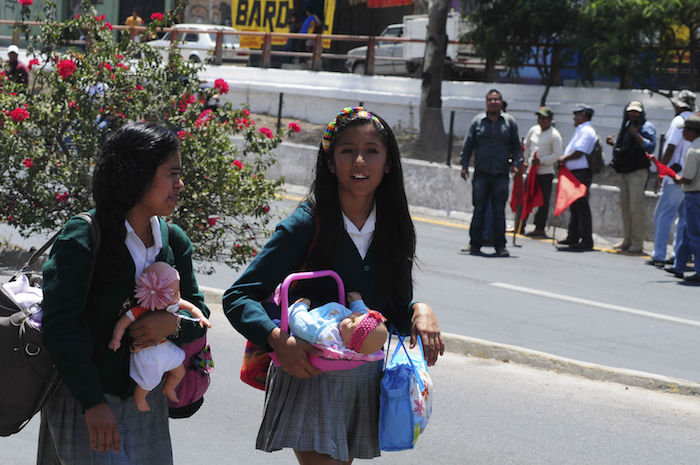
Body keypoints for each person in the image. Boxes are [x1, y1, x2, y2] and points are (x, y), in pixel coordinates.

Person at [223, 106, 444, 464]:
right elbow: (238, 296)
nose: (360, 160)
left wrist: (421, 310)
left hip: (364, 380)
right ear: (330, 163)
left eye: (372, 150)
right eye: (347, 150)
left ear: (388, 162)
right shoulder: (306, 224)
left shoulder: (395, 228)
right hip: (309, 375)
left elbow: (391, 316)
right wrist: (277, 339)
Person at [39, 122, 210, 462]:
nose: (180, 184)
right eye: (171, 174)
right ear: (137, 175)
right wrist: (93, 404)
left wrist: (170, 324)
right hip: (85, 403)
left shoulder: (173, 239)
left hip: (146, 402)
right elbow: (61, 326)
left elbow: (199, 317)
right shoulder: (84, 236)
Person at [109, 261, 212, 412]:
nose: (178, 297)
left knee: (179, 370)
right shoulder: (141, 309)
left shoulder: (174, 302)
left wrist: (200, 318)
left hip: (164, 346)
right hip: (146, 351)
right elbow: (123, 323)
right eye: (175, 293)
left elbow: (192, 306)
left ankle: (169, 388)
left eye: (178, 292)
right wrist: (116, 339)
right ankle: (140, 398)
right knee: (148, 381)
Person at [459, 89, 522, 257]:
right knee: (479, 209)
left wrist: (517, 165)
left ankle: (500, 245)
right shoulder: (478, 122)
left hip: (501, 174)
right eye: (490, 99)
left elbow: (516, 147)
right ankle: (474, 244)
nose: (493, 102)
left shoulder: (509, 123)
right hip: (482, 174)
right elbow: (468, 145)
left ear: (501, 102)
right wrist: (464, 165)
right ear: (486, 102)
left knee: (498, 211)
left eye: (496, 99)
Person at [648, 90, 696, 267]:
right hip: (689, 177)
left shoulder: (679, 121)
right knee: (683, 218)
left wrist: (662, 171)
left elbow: (670, 148)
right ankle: (678, 255)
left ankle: (659, 255)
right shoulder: (695, 122)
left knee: (663, 215)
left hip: (673, 176)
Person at [606, 101, 656, 254]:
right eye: (631, 111)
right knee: (625, 206)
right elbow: (625, 147)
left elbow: (650, 146)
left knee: (636, 207)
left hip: (638, 171)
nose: (633, 114)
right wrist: (613, 144)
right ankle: (627, 239)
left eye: (636, 112)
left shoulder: (646, 126)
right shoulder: (627, 126)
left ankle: (637, 243)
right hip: (625, 171)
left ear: (641, 113)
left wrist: (637, 135)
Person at [289, 292, 388, 355]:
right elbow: (363, 315)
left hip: (307, 315)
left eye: (352, 321)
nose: (353, 315)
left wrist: (299, 307)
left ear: (347, 343)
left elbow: (301, 323)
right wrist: (357, 302)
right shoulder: (352, 336)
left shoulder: (327, 334)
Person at [557, 105, 598, 251]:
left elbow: (580, 152)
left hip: (581, 173)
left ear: (583, 115)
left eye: (577, 115)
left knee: (581, 206)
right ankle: (573, 236)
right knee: (574, 206)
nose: (574, 118)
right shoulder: (580, 130)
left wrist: (564, 158)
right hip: (574, 173)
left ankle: (586, 239)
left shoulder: (587, 131)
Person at [520, 106, 563, 237]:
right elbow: (527, 146)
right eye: (539, 118)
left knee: (543, 201)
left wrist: (542, 160)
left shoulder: (554, 135)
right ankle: (520, 224)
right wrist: (526, 160)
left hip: (545, 172)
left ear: (550, 119)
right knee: (525, 197)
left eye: (544, 118)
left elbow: (557, 154)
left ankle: (540, 227)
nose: (541, 120)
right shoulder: (533, 130)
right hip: (531, 172)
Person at [667, 115, 700, 282]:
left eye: (685, 130)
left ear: (692, 132)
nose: (683, 134)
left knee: (694, 234)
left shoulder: (693, 151)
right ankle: (679, 266)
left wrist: (676, 178)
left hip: (694, 195)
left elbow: (688, 178)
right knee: (687, 232)